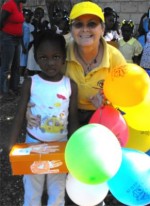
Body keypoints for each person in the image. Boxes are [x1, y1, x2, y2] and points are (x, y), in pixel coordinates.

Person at [26, 2, 127, 205]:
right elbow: (43, 81)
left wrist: (108, 100)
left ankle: (95, 198)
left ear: (102, 29)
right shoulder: (61, 48)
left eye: (92, 23)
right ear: (71, 28)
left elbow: (125, 94)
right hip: (66, 115)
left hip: (99, 119)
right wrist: (30, 106)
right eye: (78, 24)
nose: (85, 29)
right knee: (66, 167)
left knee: (93, 166)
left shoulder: (115, 57)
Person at [9, 30, 79, 206]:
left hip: (60, 146)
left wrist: (74, 148)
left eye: (56, 57)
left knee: (57, 189)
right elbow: (19, 114)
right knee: (33, 188)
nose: (50, 62)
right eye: (44, 57)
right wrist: (10, 145)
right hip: (34, 144)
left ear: (64, 58)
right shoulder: (30, 82)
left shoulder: (70, 85)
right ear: (36, 57)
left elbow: (73, 119)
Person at [0, 0, 27, 100]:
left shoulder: (19, 5)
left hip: (17, 39)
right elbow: (1, 21)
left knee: (16, 65)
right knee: (6, 67)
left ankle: (14, 88)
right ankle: (3, 91)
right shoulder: (9, 4)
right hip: (8, 38)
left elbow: (19, 23)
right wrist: (4, 36)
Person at [26, 7, 50, 76]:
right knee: (31, 67)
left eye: (40, 13)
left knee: (40, 68)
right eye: (37, 13)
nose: (38, 15)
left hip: (42, 47)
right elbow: (35, 34)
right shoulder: (32, 24)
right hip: (33, 48)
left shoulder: (45, 24)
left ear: (43, 15)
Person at [19, 8, 33, 84]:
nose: (29, 17)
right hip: (23, 46)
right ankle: (20, 78)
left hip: (27, 46)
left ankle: (23, 76)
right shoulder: (22, 24)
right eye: (27, 15)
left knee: (25, 62)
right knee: (22, 62)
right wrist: (23, 47)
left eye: (30, 16)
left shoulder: (28, 25)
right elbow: (21, 36)